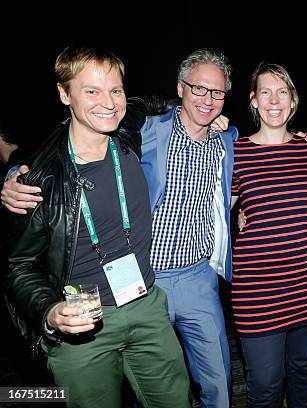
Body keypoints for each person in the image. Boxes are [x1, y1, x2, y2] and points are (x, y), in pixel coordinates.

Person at [1, 48, 237, 408]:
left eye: (115, 90)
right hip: (85, 316)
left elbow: (140, 102)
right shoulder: (42, 178)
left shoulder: (129, 136)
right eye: (91, 91)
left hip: (155, 296)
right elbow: (18, 264)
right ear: (65, 94)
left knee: (190, 393)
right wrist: (49, 310)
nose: (108, 102)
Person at [231, 62, 307, 408]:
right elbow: (213, 209)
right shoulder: (235, 153)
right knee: (265, 383)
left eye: (282, 92)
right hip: (258, 291)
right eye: (266, 92)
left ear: (293, 101)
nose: (274, 100)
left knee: (302, 370)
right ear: (254, 101)